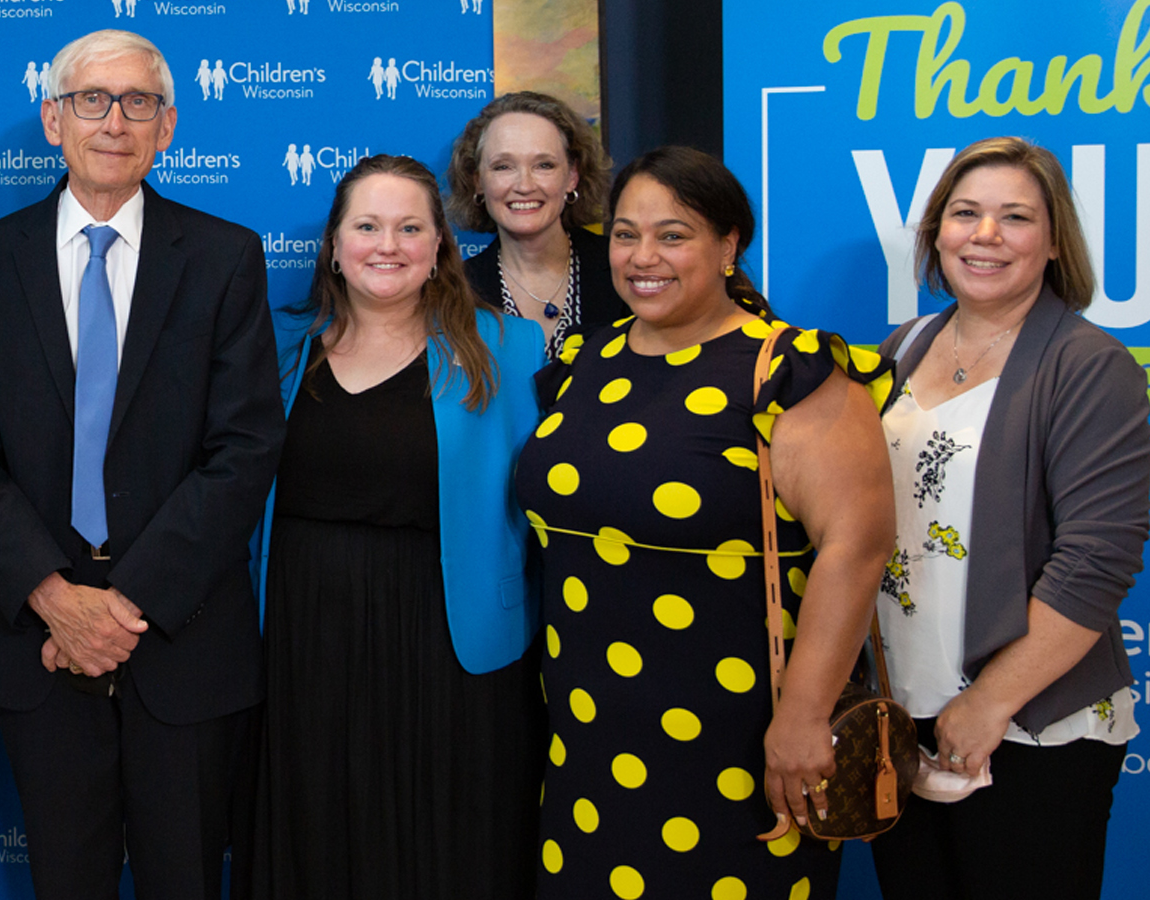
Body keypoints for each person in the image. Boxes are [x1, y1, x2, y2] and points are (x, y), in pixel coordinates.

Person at [0, 29, 285, 899]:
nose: (115, 120)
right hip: (40, 649)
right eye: (93, 99)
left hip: (185, 639)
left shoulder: (222, 256)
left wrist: (122, 610)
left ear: (167, 127)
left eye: (139, 103)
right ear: (54, 119)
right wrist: (57, 601)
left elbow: (244, 448)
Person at [515, 147, 894, 900]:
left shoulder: (790, 371)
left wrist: (804, 719)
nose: (642, 257)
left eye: (672, 235)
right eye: (625, 235)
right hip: (589, 735)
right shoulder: (585, 361)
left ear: (728, 246)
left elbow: (856, 549)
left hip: (740, 739)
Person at [252, 155, 546, 898]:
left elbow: (546, 505)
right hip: (302, 632)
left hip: (450, 637)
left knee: (442, 842)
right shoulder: (274, 350)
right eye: (368, 226)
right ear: (333, 245)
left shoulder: (511, 351)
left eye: (411, 227)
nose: (388, 245)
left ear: (440, 245)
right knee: (315, 829)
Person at [866, 137, 1150, 900]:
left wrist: (986, 705)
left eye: (1014, 217)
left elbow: (1098, 562)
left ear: (1054, 241)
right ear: (936, 232)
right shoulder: (902, 349)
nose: (984, 235)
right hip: (905, 717)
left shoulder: (1087, 365)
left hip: (1030, 725)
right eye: (965, 213)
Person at [448, 91, 627, 361]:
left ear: (572, 176)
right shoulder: (456, 292)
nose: (524, 185)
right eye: (503, 167)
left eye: (544, 165)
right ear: (477, 181)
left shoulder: (623, 267)